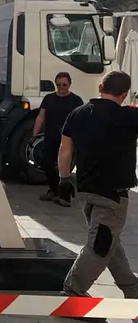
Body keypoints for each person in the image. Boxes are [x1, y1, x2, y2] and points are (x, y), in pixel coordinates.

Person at [57, 70, 138, 305]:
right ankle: (73, 290)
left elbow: (65, 150)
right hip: (112, 194)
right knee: (101, 244)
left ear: (100, 88)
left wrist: (63, 180)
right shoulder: (129, 117)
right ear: (124, 94)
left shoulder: (78, 113)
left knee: (109, 240)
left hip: (86, 191)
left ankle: (132, 288)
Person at [33, 72, 83, 207]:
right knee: (46, 163)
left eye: (64, 85)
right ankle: (53, 190)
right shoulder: (49, 98)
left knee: (64, 168)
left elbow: (80, 120)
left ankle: (64, 196)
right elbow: (41, 116)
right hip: (50, 137)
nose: (61, 87)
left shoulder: (76, 100)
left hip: (67, 140)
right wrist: (34, 134)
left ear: (70, 84)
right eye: (59, 85)